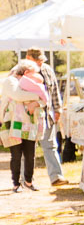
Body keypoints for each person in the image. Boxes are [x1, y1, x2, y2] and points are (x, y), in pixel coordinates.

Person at [24, 48, 68, 186]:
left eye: (41, 59)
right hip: (27, 117)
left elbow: (54, 90)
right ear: (29, 58)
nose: (40, 62)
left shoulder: (47, 70)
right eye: (37, 60)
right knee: (27, 149)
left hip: (46, 115)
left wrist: (58, 109)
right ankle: (25, 179)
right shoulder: (20, 72)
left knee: (51, 146)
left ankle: (56, 177)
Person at [1, 61, 45, 192]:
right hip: (13, 124)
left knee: (30, 154)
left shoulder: (31, 84)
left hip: (30, 124)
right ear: (26, 73)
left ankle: (28, 181)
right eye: (33, 74)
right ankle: (16, 183)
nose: (35, 77)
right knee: (16, 155)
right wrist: (38, 96)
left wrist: (38, 101)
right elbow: (18, 95)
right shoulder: (10, 81)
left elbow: (44, 101)